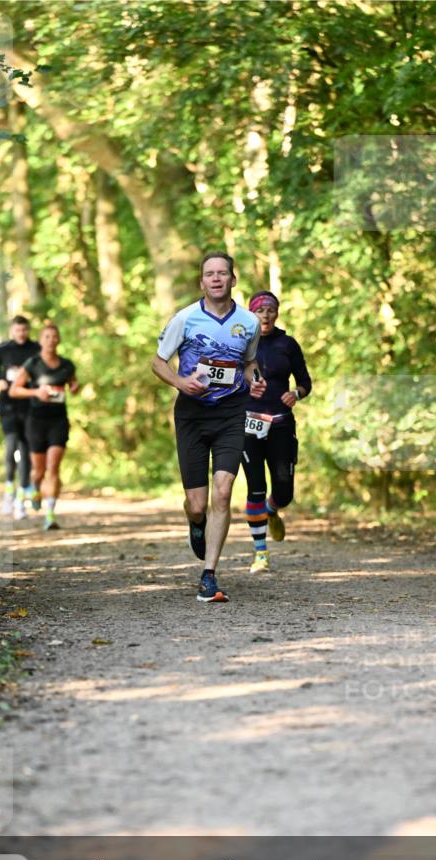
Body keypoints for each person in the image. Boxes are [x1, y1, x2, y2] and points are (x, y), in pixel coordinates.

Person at [152, 251, 267, 603]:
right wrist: (181, 383)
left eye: (222, 273)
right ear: (202, 282)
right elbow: (158, 363)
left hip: (231, 412)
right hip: (191, 414)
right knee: (198, 504)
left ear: (233, 279)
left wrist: (256, 380)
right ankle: (196, 522)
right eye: (209, 274)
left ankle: (209, 576)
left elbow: (248, 364)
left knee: (223, 491)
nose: (216, 279)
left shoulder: (248, 322)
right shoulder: (185, 319)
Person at [242, 291, 312, 573]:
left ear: (277, 313)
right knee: (255, 487)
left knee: (284, 492)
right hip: (248, 425)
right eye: (261, 311)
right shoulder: (242, 343)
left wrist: (296, 393)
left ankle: (272, 511)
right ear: (252, 315)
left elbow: (305, 382)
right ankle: (260, 553)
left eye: (271, 310)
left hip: (281, 424)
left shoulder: (288, 344)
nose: (266, 315)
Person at [9, 323, 79, 531]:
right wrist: (35, 393)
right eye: (47, 337)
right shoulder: (33, 364)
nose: (51, 340)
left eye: (54, 337)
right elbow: (14, 390)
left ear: (59, 340)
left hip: (58, 420)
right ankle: (34, 488)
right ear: (41, 340)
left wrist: (75, 387)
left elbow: (73, 383)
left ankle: (50, 515)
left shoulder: (67, 365)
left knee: (53, 467)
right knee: (38, 470)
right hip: (36, 420)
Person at [0, 315, 40, 519]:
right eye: (18, 330)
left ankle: (21, 500)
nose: (22, 334)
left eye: (25, 330)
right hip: (8, 406)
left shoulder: (36, 349)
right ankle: (9, 489)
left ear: (28, 330)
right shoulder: (3, 349)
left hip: (29, 406)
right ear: (12, 331)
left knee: (26, 450)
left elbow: (42, 370)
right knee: (11, 446)